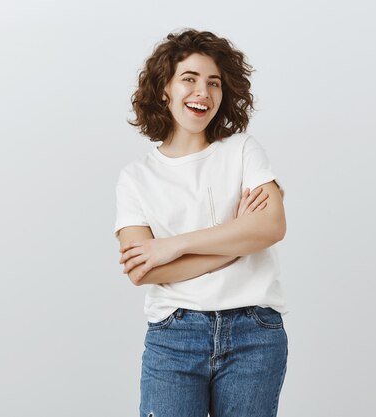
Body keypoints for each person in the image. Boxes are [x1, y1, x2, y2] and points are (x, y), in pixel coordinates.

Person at [113, 28, 289, 417]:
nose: (203, 93)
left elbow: (272, 227)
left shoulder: (242, 149)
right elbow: (142, 270)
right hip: (174, 336)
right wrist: (237, 242)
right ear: (164, 89)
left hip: (254, 332)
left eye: (214, 83)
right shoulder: (135, 177)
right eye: (189, 79)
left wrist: (172, 245)